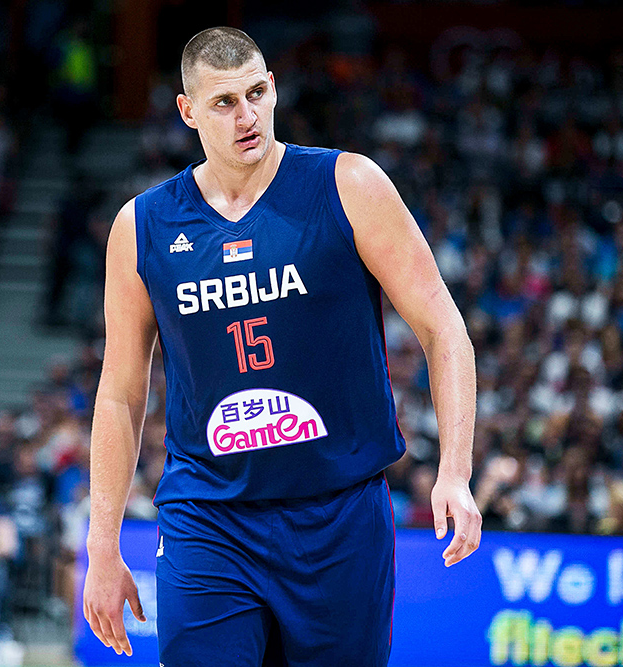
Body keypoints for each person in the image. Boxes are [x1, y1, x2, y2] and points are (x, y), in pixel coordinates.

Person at [82, 27, 481, 665]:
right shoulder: (143, 225)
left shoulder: (348, 184)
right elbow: (121, 391)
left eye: (257, 92)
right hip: (208, 516)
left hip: (338, 514)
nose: (248, 116)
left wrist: (456, 473)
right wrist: (103, 545)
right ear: (187, 111)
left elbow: (443, 327)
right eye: (224, 103)